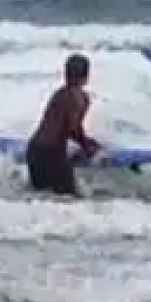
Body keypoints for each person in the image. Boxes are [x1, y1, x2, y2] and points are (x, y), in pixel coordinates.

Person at [24, 53, 106, 197]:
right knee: (71, 199)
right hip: (52, 153)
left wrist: (86, 142)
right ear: (86, 77)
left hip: (34, 150)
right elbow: (73, 129)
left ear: (65, 74)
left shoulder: (58, 94)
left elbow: (62, 127)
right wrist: (89, 146)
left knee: (41, 197)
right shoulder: (80, 98)